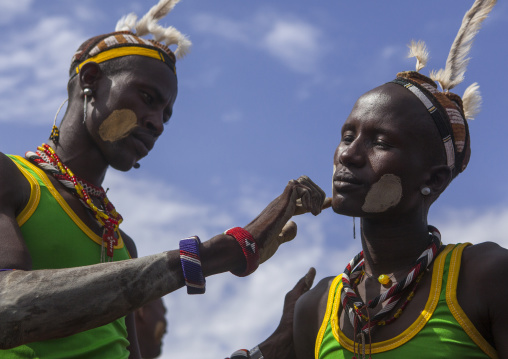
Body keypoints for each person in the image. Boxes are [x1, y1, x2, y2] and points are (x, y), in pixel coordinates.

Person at [0, 1, 328, 358]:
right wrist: (210, 256)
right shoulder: (13, 179)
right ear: (90, 80)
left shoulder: (121, 242)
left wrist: (271, 348)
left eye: (165, 115)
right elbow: (9, 304)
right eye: (146, 97)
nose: (156, 123)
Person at [293, 0, 508, 358]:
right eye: (347, 136)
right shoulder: (315, 310)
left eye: (380, 142)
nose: (348, 155)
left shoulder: (483, 279)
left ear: (435, 180)